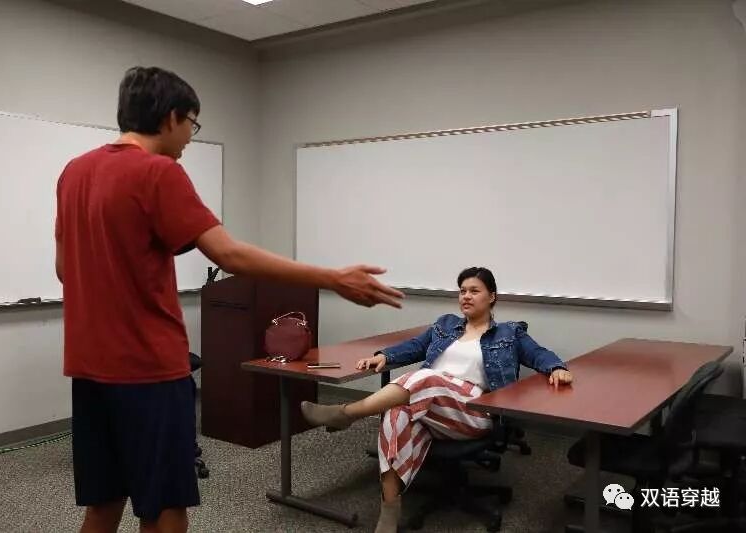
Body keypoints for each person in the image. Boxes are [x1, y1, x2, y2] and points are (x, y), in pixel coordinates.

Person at [54, 66, 404, 533]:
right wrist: (332, 278)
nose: (189, 138)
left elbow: (64, 270)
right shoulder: (158, 172)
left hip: (89, 367)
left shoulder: (74, 172)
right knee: (164, 505)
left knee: (104, 501)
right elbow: (229, 254)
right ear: (171, 117)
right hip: (147, 369)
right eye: (191, 124)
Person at [300, 266, 572, 533]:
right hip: (430, 402)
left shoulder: (509, 333)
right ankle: (389, 511)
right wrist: (384, 355)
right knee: (396, 414)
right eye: (462, 291)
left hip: (475, 410)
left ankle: (347, 413)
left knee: (427, 378)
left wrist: (557, 367)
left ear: (491, 297)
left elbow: (539, 354)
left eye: (474, 291)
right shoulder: (446, 325)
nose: (466, 296)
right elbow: (415, 346)